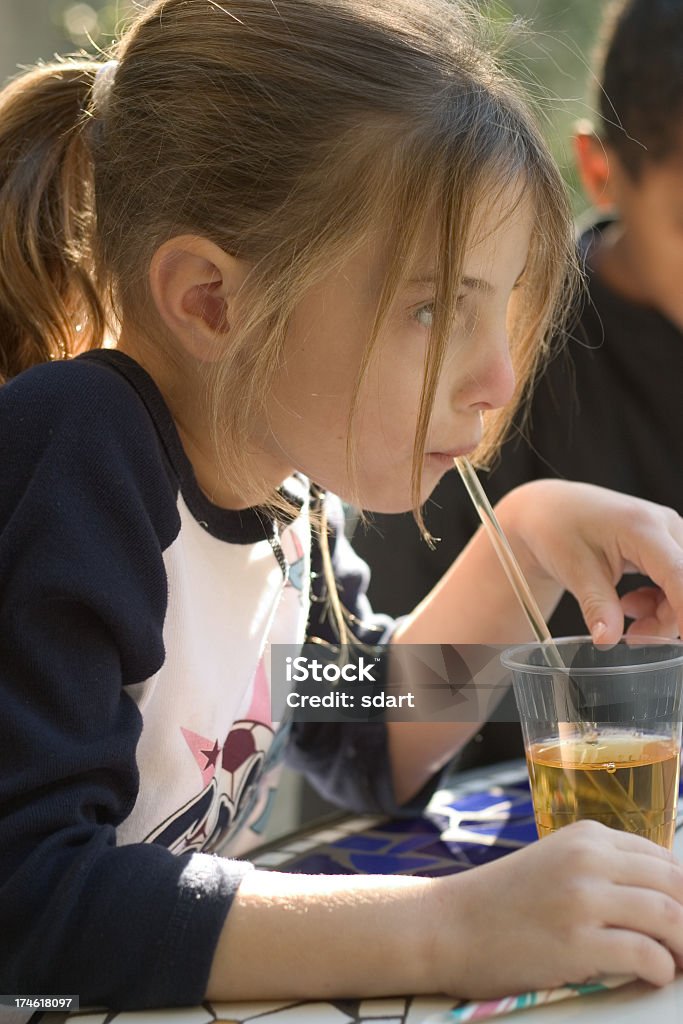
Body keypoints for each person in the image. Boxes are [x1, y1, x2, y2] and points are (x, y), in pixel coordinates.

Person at [2, 0, 683, 1011]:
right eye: (428, 309)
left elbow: (361, 729)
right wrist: (449, 928)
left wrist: (523, 549)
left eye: (495, 313)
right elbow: (29, 899)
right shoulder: (81, 453)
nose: (496, 378)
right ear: (209, 301)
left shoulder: (289, 501)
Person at [352, 0, 683, 768]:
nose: (490, 376)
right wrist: (522, 556)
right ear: (601, 171)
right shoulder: (474, 365)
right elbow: (351, 708)